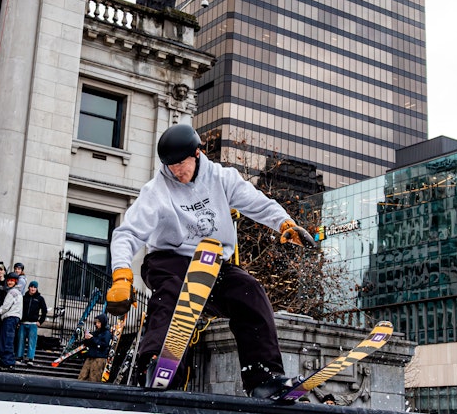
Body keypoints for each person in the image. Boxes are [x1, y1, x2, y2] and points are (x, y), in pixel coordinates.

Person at [106, 123, 315, 398]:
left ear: (197, 153)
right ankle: (158, 366)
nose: (176, 171)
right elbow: (127, 233)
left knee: (250, 292)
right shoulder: (156, 191)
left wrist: (284, 224)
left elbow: (257, 202)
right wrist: (122, 274)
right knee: (172, 294)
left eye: (181, 163)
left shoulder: (221, 177)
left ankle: (263, 376)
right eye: (170, 166)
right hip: (169, 259)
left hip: (213, 262)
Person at [0, 272, 23, 369]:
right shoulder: (18, 292)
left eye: (12, 281)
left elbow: (6, 306)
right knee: (8, 338)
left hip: (10, 317)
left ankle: (7, 361)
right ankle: (6, 359)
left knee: (6, 339)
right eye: (9, 280)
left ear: (15, 282)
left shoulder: (12, 292)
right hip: (15, 317)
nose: (10, 282)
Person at [17, 279, 48, 362]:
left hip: (33, 323)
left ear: (37, 288)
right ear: (29, 287)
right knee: (21, 340)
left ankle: (30, 358)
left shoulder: (40, 298)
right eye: (31, 286)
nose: (33, 288)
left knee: (32, 341)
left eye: (34, 287)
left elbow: (44, 310)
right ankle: (19, 356)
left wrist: (40, 321)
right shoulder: (24, 297)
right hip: (23, 323)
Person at [78, 313, 111, 382]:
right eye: (96, 322)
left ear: (103, 323)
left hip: (99, 358)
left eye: (99, 322)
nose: (97, 324)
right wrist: (87, 339)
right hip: (91, 356)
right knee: (82, 376)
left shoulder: (106, 333)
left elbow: (104, 345)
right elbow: (88, 344)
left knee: (94, 378)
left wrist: (92, 338)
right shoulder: (96, 332)